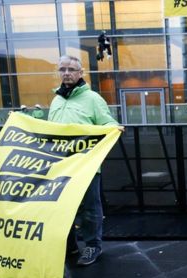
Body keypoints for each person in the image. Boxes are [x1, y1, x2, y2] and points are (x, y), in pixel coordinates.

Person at [48, 55, 122, 266]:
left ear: (81, 73)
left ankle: (92, 247)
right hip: (60, 166)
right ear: (58, 72)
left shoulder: (93, 99)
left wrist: (113, 128)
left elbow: (108, 124)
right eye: (62, 69)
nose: (66, 73)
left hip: (86, 167)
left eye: (71, 69)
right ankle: (69, 246)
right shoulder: (56, 100)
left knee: (90, 209)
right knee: (61, 208)